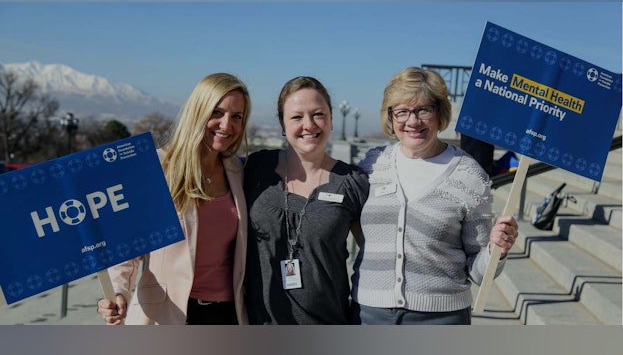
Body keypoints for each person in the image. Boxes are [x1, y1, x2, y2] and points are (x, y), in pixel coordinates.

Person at [350, 66, 519, 325]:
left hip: (441, 319)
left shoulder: (469, 175)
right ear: (390, 117)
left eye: (423, 110)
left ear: (440, 114)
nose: (413, 121)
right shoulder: (372, 165)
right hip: (368, 315)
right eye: (402, 111)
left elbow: (479, 272)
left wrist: (497, 250)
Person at [96, 72, 252, 325]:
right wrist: (117, 292)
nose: (226, 125)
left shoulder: (239, 172)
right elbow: (126, 247)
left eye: (236, 117)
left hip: (227, 315)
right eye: (217, 112)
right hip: (164, 315)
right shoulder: (157, 167)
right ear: (198, 111)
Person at [243, 76, 369, 324]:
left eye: (318, 114)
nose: (309, 125)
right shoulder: (255, 169)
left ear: (331, 118)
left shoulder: (353, 182)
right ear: (282, 123)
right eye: (297, 117)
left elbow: (374, 258)